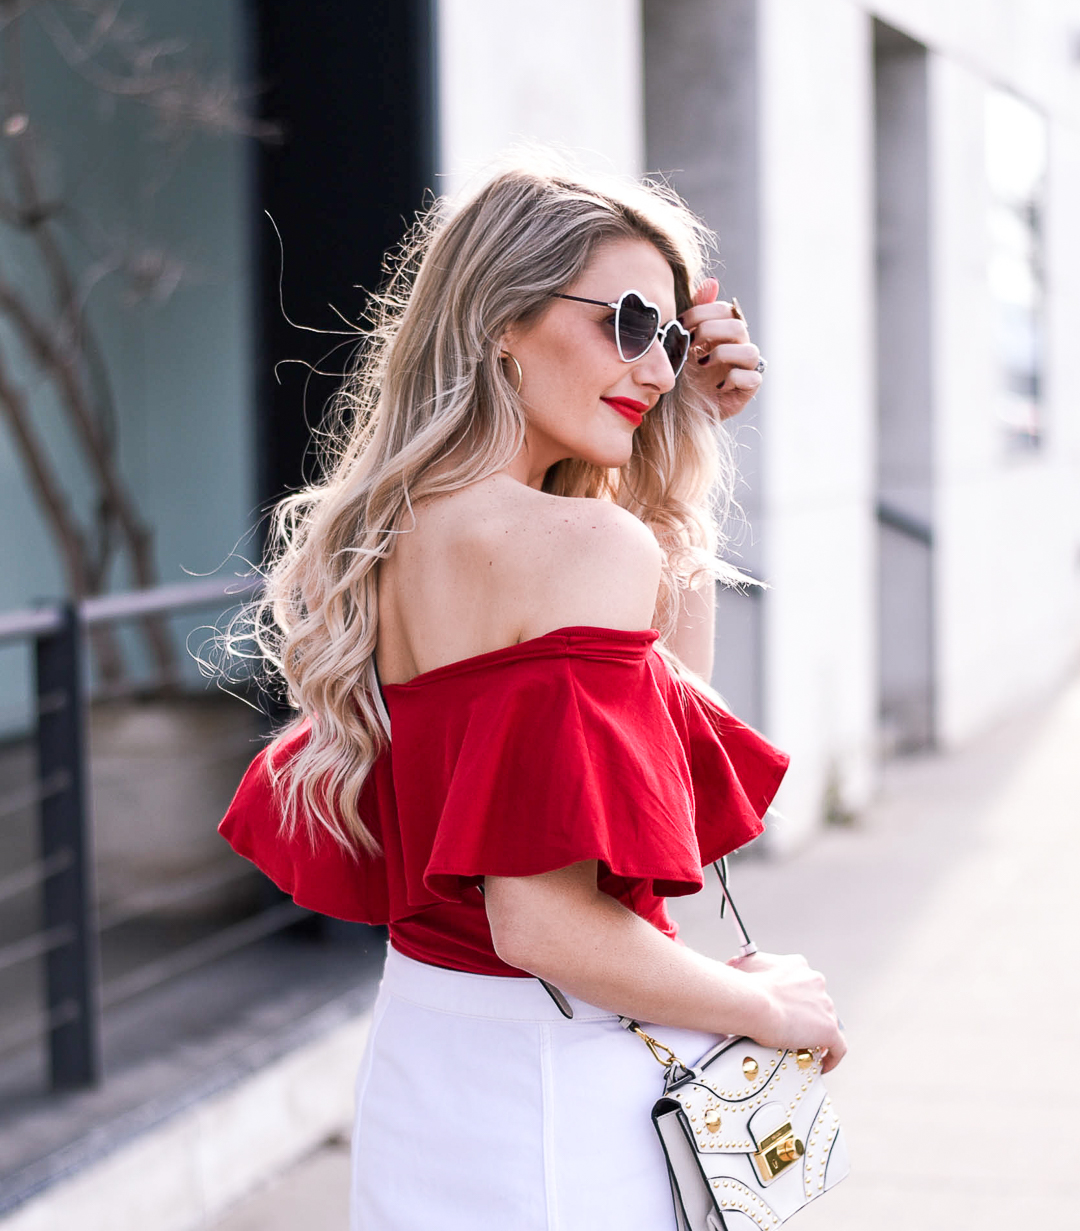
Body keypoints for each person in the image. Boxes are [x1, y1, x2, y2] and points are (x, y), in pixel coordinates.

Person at [218, 156, 846, 1231]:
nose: (655, 369)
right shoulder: (579, 544)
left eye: (673, 339)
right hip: (563, 1092)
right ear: (502, 317)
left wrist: (682, 438)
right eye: (630, 321)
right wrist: (762, 1004)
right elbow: (544, 919)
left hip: (429, 1064)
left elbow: (647, 744)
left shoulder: (395, 528)